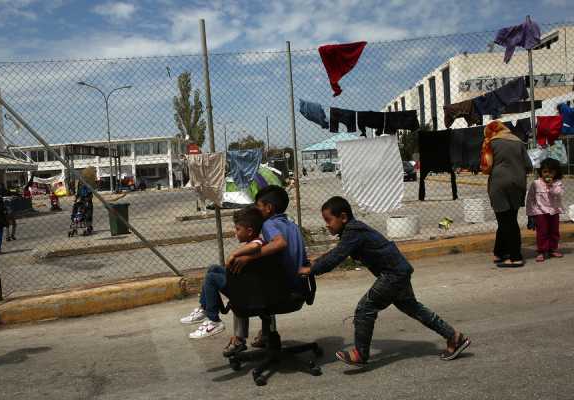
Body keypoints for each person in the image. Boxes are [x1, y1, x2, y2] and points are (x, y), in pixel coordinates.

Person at [298, 196, 470, 366]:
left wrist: (312, 269)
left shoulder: (353, 232)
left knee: (365, 308)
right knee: (413, 308)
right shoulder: (351, 231)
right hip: (398, 271)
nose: (327, 225)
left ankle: (360, 353)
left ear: (343, 217)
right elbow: (336, 253)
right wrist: (315, 263)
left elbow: (336, 257)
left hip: (392, 274)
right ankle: (455, 337)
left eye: (329, 220)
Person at [225, 185, 309, 356]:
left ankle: (239, 339)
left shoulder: (269, 224)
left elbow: (280, 243)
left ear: (268, 208)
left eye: (258, 207)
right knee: (263, 277)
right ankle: (265, 334)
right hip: (300, 287)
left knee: (241, 283)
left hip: (282, 290)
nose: (256, 211)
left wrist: (249, 257)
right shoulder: (292, 226)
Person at [180, 206, 265, 340]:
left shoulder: (257, 242)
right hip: (242, 281)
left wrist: (234, 253)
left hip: (246, 289)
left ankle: (214, 321)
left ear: (249, 231)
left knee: (211, 279)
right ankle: (204, 307)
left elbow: (256, 245)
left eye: (238, 229)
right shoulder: (253, 240)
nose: (234, 232)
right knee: (213, 268)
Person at [482, 120, 532, 267]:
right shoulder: (518, 141)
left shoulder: (490, 142)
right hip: (518, 184)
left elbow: (486, 167)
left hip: (499, 184)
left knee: (505, 221)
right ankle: (499, 252)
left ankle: (515, 257)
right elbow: (528, 165)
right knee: (509, 219)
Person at [526, 157, 565, 262]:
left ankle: (552, 249)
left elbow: (559, 193)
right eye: (545, 171)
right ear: (541, 172)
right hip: (540, 212)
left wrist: (551, 185)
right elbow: (530, 199)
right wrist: (530, 214)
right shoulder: (536, 183)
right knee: (542, 232)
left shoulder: (558, 183)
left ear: (556, 173)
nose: (547, 174)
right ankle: (542, 251)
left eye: (551, 172)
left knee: (554, 231)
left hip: (554, 211)